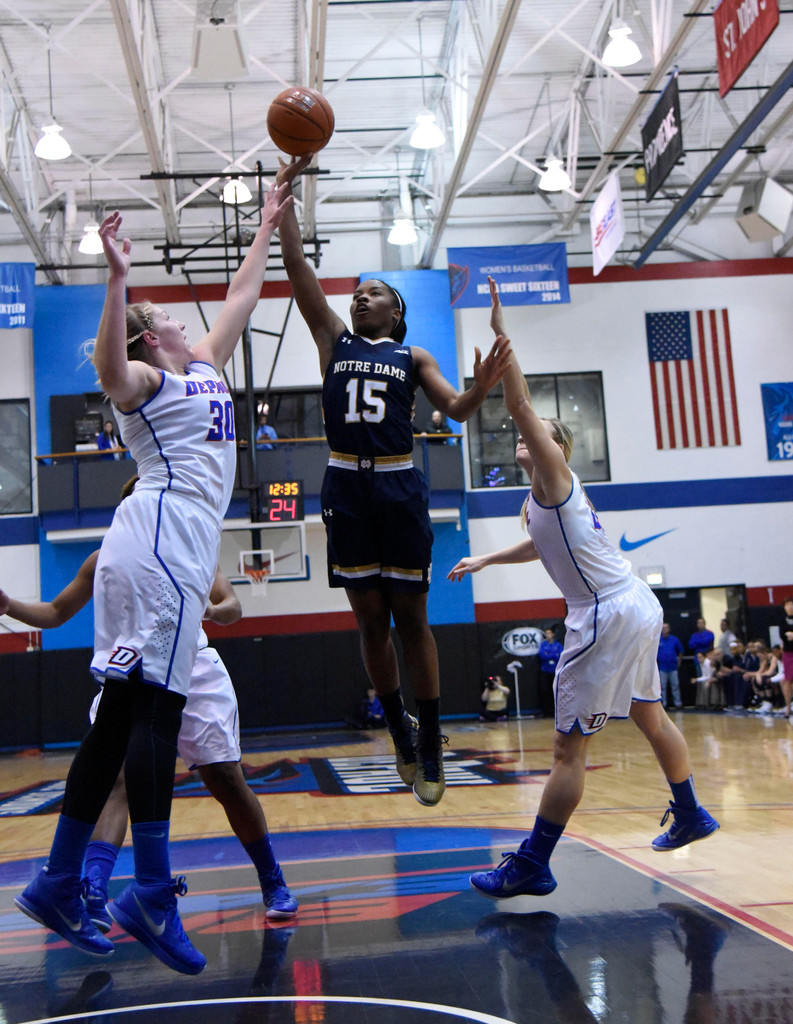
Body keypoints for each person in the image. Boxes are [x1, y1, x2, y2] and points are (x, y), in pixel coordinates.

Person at [14, 181, 293, 973]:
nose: (182, 318)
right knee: (157, 719)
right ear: (149, 340)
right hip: (164, 549)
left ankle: (61, 880)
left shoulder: (202, 362)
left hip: (148, 550)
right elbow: (108, 369)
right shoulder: (145, 384)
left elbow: (244, 291)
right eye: (165, 314)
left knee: (119, 719)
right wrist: (114, 281)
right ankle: (148, 894)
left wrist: (267, 224)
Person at [448, 277, 718, 901]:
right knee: (650, 713)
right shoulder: (539, 499)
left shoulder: (553, 474)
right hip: (633, 604)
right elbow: (540, 544)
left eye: (536, 432)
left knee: (569, 748)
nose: (523, 435)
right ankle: (692, 810)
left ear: (554, 447)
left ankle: (534, 861)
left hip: (603, 612)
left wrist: (498, 333)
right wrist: (487, 558)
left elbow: (518, 406)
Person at [275, 155, 511, 808]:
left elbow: (456, 413)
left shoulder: (414, 356)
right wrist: (284, 204)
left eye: (372, 291)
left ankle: (431, 737)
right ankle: (399, 733)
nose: (359, 296)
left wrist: (480, 389)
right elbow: (298, 274)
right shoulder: (334, 341)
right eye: (356, 292)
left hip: (401, 487)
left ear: (397, 310)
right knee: (369, 620)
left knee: (412, 617)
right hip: (346, 487)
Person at [0, 483, 297, 931]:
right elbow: (57, 611)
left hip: (192, 668)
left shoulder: (193, 548)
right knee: (116, 778)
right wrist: (10, 606)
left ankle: (273, 880)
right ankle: (95, 889)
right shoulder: (104, 559)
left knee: (226, 780)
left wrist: (218, 611)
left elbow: (231, 603)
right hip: (131, 672)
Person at [657, 623, 684, 709]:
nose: (665, 629)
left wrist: (679, 661)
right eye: (663, 628)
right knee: (663, 687)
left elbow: (681, 651)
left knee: (675, 685)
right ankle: (664, 704)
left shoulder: (674, 639)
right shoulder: (658, 640)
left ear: (669, 629)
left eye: (666, 628)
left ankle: (678, 703)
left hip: (673, 667)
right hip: (662, 667)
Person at [538, 627, 563, 718]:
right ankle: (546, 711)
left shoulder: (558, 645)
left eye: (549, 633)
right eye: (546, 634)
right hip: (545, 671)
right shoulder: (543, 645)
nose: (547, 635)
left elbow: (559, 656)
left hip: (555, 671)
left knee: (556, 691)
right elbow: (542, 656)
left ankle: (556, 711)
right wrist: (552, 654)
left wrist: (550, 654)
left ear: (553, 634)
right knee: (545, 691)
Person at [777, 597, 793, 718]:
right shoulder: (782, 621)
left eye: (791, 604)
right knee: (787, 680)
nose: (790, 607)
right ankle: (788, 707)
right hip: (788, 652)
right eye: (787, 605)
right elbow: (783, 635)